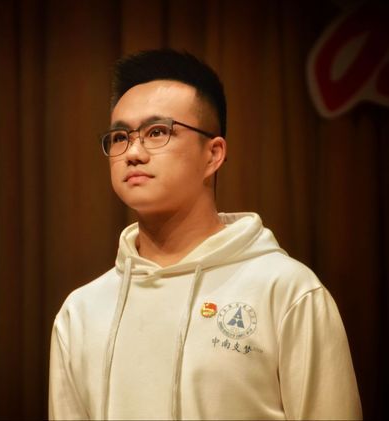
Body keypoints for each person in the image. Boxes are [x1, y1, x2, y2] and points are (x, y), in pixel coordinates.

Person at [48, 49, 362, 420]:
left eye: (157, 132)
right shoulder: (81, 312)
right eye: (120, 137)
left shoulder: (286, 290)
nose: (133, 152)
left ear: (213, 155)